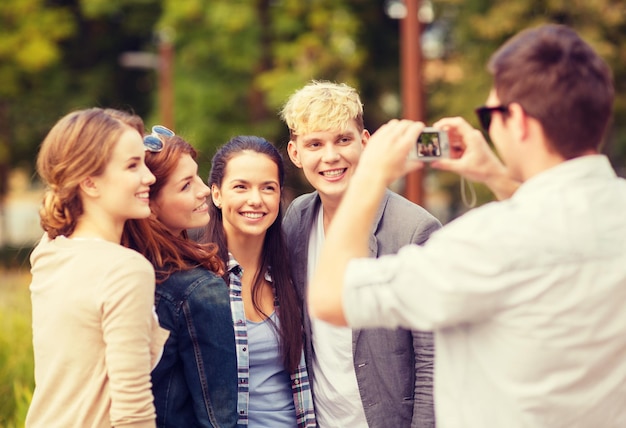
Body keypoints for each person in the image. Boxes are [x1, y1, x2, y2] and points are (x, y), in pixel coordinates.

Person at [308, 24, 626, 427]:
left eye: (489, 114)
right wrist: (496, 175)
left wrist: (371, 177)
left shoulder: (484, 242)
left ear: (519, 122)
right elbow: (555, 221)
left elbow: (331, 297)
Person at [280, 80, 441, 427]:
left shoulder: (415, 230)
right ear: (296, 154)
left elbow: (434, 360)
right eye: (314, 144)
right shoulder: (296, 219)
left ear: (365, 142)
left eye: (342, 139)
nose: (330, 156)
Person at [27, 108, 169, 428]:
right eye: (133, 165)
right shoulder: (126, 270)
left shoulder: (49, 250)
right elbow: (132, 413)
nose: (149, 177)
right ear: (89, 182)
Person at [122, 127, 238, 428]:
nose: (203, 190)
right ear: (150, 203)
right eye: (186, 186)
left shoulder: (121, 274)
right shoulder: (199, 290)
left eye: (197, 176)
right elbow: (219, 418)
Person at [201, 136, 316, 427]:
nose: (256, 200)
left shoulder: (292, 273)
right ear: (216, 194)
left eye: (268, 188)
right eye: (241, 187)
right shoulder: (197, 282)